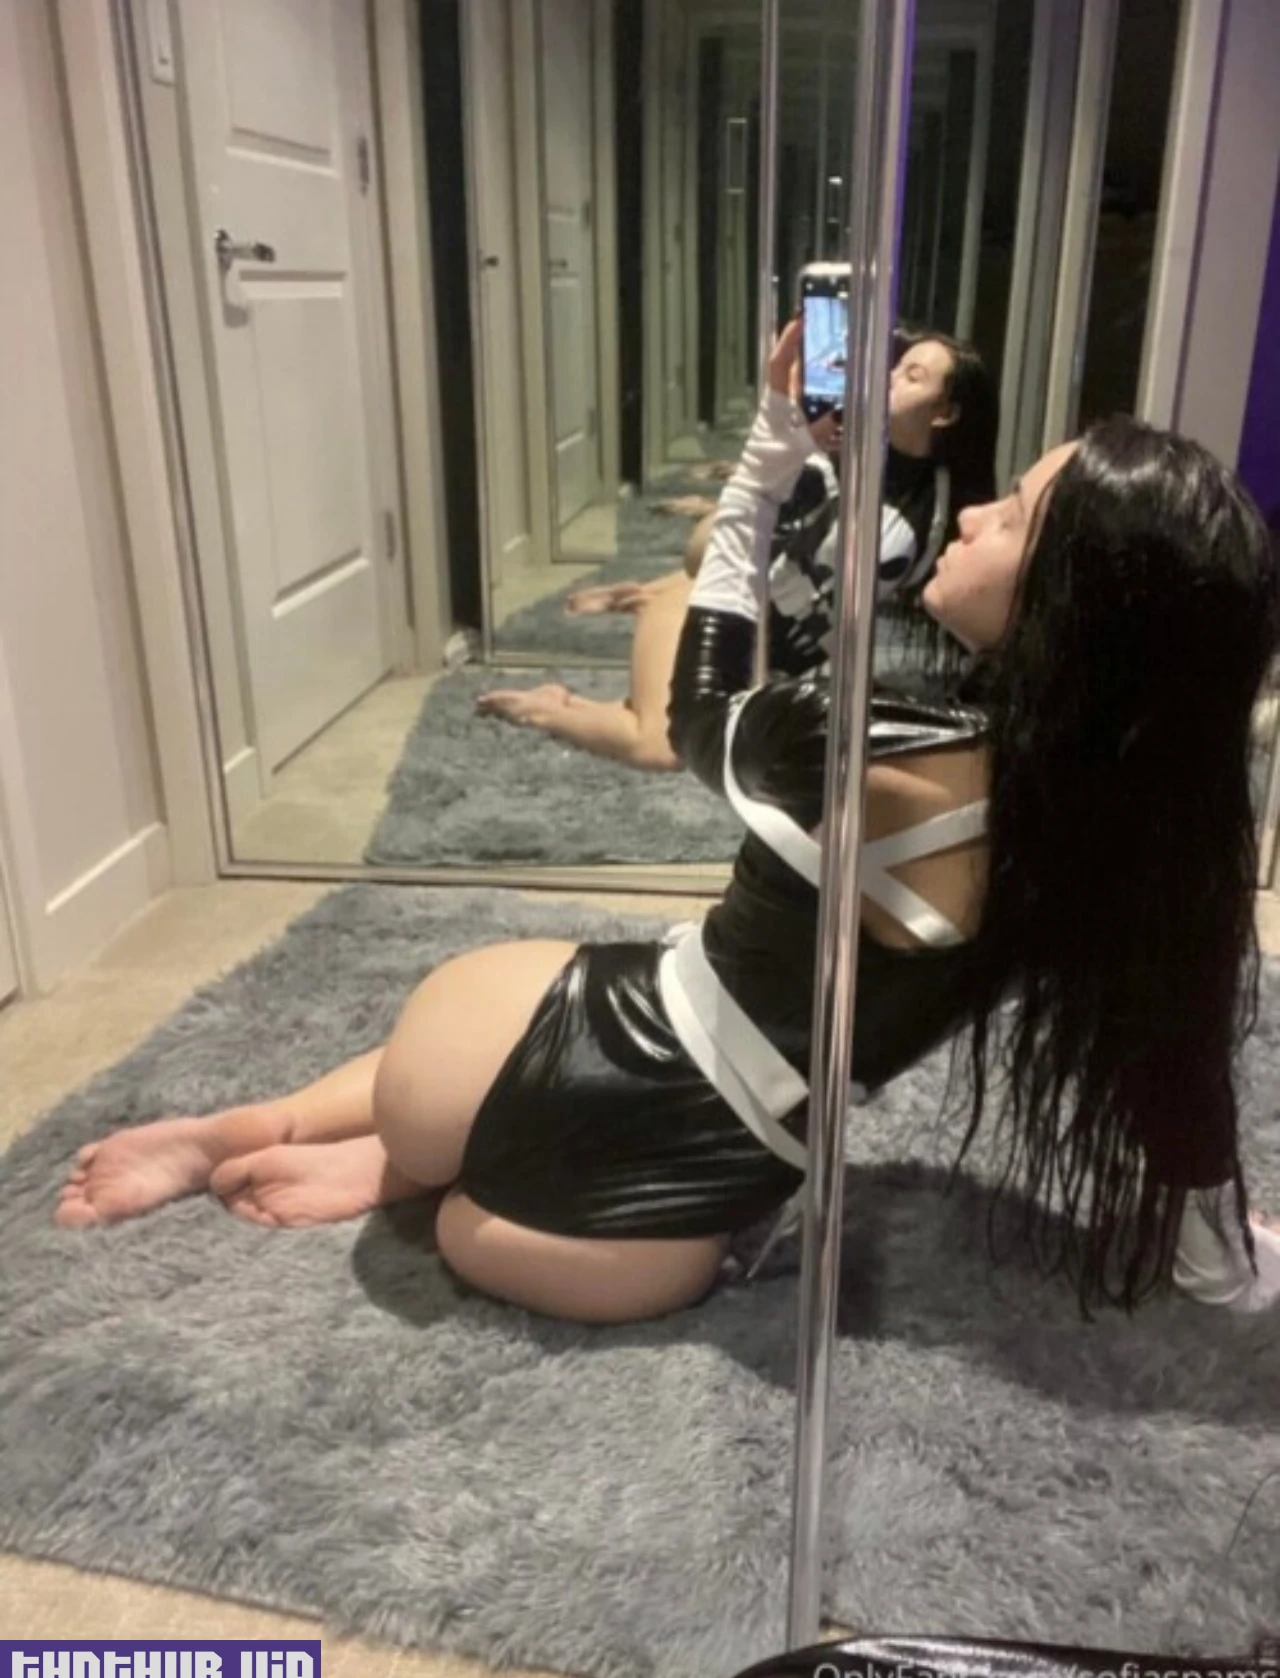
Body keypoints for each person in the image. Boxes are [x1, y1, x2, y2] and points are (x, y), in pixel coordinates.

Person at [56, 333, 1280, 1325]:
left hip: (610, 1030)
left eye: (1011, 516)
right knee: (499, 1236)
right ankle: (394, 1159)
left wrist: (763, 464)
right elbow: (1172, 1079)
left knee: (468, 1098)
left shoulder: (868, 743)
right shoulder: (1108, 852)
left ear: (1073, 610)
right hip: (731, 1160)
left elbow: (690, 714)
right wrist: (1221, 1258)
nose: (973, 518)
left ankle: (348, 1140)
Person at [475, 324, 998, 769]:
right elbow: (714, 548)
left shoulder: (937, 507)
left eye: (912, 375)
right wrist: (797, 450)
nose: (887, 378)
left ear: (945, 413)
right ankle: (548, 709)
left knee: (679, 714)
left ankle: (624, 622)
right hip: (712, 608)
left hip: (763, 646)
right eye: (896, 366)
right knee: (663, 747)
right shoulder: (836, 459)